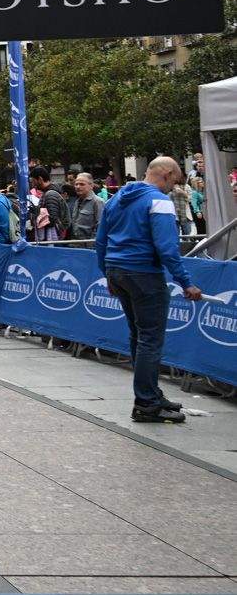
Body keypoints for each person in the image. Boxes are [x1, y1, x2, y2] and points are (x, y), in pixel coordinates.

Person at [96, 155, 204, 424]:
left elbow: (100, 240)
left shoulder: (116, 199)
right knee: (150, 339)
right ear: (166, 174)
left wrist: (107, 273)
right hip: (144, 273)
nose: (173, 188)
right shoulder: (159, 201)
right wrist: (186, 282)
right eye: (174, 181)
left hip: (117, 271)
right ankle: (146, 401)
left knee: (138, 336)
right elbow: (167, 249)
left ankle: (151, 394)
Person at [31, 167, 69, 241]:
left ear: (40, 179)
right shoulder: (49, 192)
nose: (33, 184)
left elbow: (51, 220)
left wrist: (36, 213)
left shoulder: (50, 194)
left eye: (33, 181)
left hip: (53, 238)